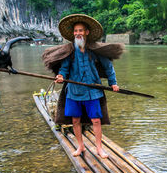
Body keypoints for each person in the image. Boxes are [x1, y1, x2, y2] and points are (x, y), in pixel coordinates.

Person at [47, 14, 123, 159]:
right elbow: (64, 67)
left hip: (92, 92)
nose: (78, 33)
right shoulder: (70, 50)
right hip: (73, 92)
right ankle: (80, 146)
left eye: (80, 30)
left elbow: (108, 67)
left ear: (87, 32)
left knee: (96, 120)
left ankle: (99, 148)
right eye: (75, 31)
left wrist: (113, 83)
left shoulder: (94, 49)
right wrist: (61, 76)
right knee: (75, 120)